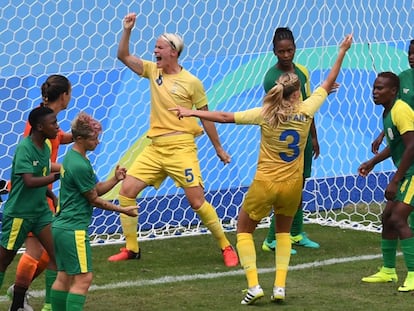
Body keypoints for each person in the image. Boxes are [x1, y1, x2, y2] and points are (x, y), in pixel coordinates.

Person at [170, 34, 353, 304]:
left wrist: (193, 112)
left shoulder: (265, 114)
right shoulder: (307, 109)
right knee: (282, 233)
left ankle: (254, 285)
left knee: (243, 229)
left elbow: (224, 117)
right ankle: (279, 287)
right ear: (298, 92)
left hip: (265, 184)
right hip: (293, 185)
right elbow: (327, 82)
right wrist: (342, 51)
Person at [106, 12, 239, 267]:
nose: (154, 51)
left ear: (173, 52)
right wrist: (127, 30)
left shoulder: (192, 83)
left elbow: (207, 117)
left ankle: (226, 246)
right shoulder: (151, 71)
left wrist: (219, 148)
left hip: (181, 148)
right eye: (155, 47)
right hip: (155, 149)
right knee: (126, 191)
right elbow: (122, 56)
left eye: (159, 47)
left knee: (196, 201)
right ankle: (132, 249)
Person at [50, 112, 138, 311]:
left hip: (61, 228)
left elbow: (95, 189)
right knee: (83, 278)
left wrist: (115, 179)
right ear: (79, 138)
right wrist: (123, 210)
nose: (97, 142)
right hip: (74, 229)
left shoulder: (73, 158)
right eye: (94, 138)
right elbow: (94, 200)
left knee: (64, 277)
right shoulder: (80, 165)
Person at [7, 75, 73, 311]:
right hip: (31, 198)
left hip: (44, 194)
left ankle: (22, 293)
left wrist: (80, 135)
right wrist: (69, 170)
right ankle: (22, 300)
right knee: (36, 252)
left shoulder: (47, 120)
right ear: (64, 95)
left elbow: (58, 140)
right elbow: (38, 165)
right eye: (70, 91)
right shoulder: (40, 125)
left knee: (49, 253)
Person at [262, 27, 322, 254]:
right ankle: (272, 238)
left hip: (304, 138)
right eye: (281, 51)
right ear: (274, 52)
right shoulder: (271, 78)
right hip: (285, 141)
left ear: (295, 49)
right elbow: (273, 113)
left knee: (299, 188)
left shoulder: (303, 72)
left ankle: (296, 233)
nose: (286, 55)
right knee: (285, 191)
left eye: (290, 50)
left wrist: (314, 136)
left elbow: (307, 107)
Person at [362, 40, 414, 285]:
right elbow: (397, 145)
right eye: (374, 88)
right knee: (387, 219)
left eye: (380, 88)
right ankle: (389, 270)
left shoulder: (401, 110)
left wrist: (395, 180)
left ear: (393, 91)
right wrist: (373, 161)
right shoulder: (388, 111)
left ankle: (413, 274)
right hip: (406, 171)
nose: (375, 92)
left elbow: (413, 145)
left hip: (412, 173)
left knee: (398, 219)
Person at [0, 106, 60, 311]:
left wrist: (51, 194)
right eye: (53, 123)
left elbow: (39, 176)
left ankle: (35, 305)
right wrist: (55, 177)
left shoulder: (45, 147)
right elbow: (28, 181)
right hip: (19, 213)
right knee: (4, 259)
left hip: (41, 212)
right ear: (40, 127)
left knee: (57, 254)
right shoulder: (25, 148)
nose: (57, 127)